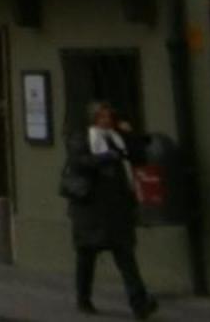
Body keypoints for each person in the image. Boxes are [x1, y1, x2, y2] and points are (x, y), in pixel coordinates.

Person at [65, 100, 158, 318]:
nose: (106, 121)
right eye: (102, 117)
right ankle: (83, 298)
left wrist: (130, 135)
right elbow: (79, 162)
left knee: (125, 255)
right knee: (86, 256)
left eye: (109, 117)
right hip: (91, 208)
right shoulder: (83, 138)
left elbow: (138, 156)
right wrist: (105, 157)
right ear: (93, 119)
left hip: (117, 206)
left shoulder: (118, 138)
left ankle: (139, 303)